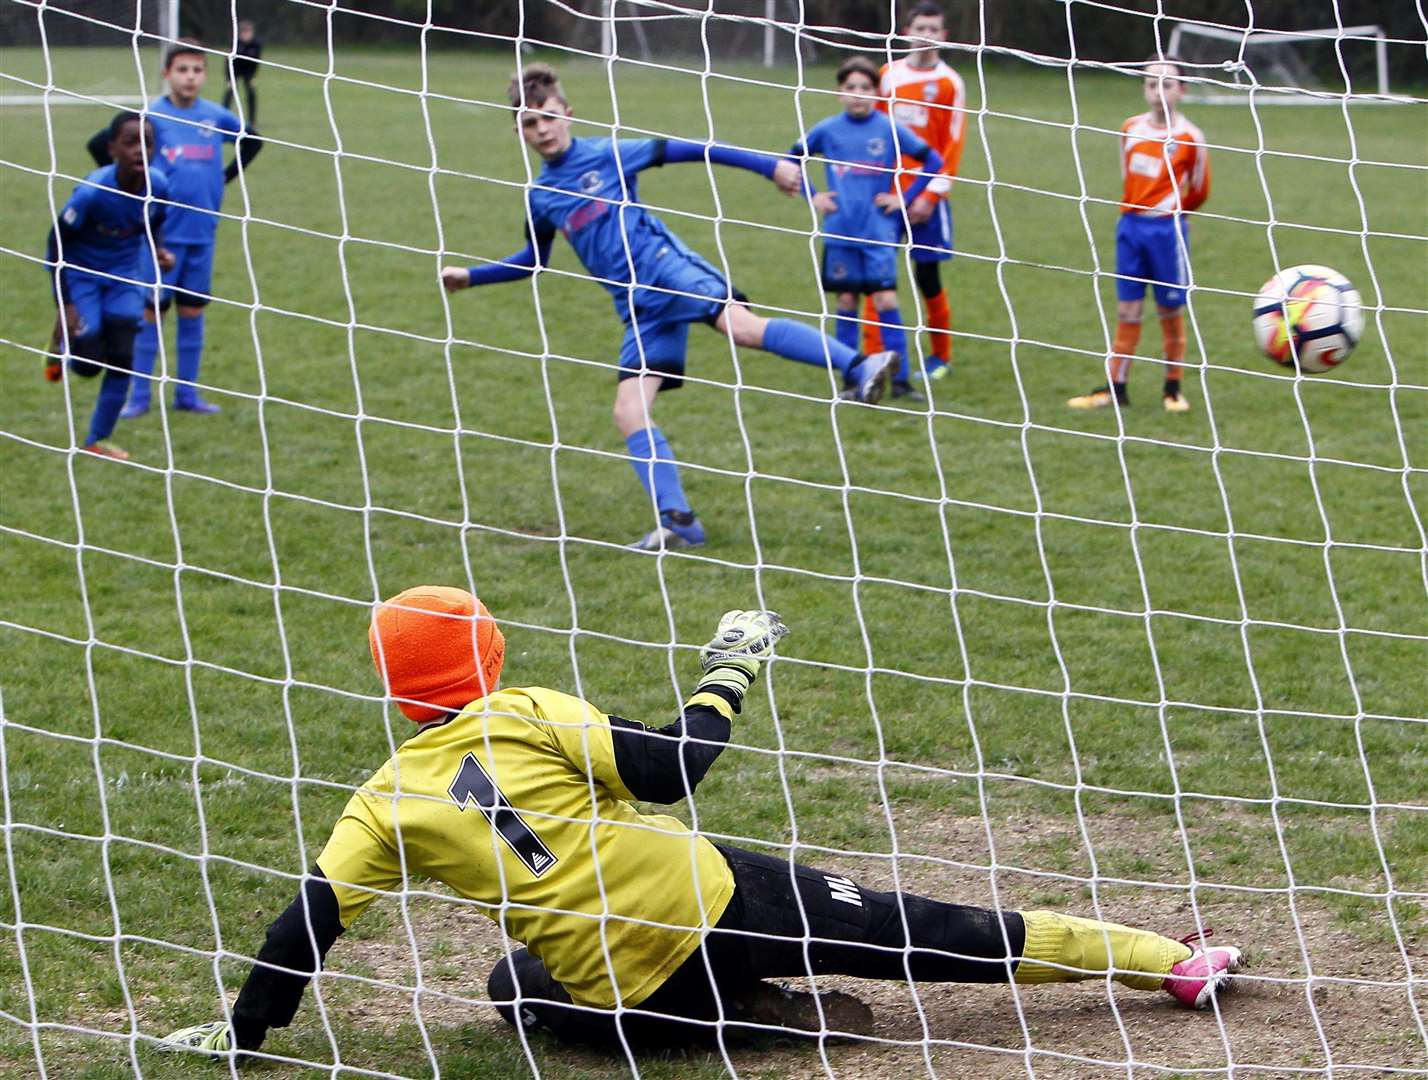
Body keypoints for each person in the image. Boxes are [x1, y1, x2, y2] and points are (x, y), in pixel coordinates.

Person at [156, 585, 1242, 1061]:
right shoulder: (528, 708)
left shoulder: (379, 798)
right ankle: (1169, 963)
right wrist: (730, 669)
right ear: (488, 656)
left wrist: (248, 1031)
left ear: (399, 696)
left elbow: (310, 921)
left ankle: (752, 1020)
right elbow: (673, 769)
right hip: (711, 896)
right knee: (939, 930)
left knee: (514, 989)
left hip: (625, 983)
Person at [440, 64, 901, 552]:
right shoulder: (540, 196)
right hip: (638, 305)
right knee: (628, 411)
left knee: (741, 328)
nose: (543, 130)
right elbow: (534, 261)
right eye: (531, 124)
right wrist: (471, 277)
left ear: (567, 114)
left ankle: (860, 364)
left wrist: (771, 166)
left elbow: (689, 149)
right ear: (519, 131)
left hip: (667, 267)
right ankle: (678, 521)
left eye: (549, 118)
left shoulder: (609, 153)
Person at [85, 38, 263, 419]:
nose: (190, 77)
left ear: (205, 75)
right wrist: (129, 186)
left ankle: (187, 394)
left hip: (203, 233)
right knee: (151, 313)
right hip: (159, 236)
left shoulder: (215, 116)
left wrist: (225, 177)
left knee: (193, 313)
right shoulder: (151, 117)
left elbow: (253, 141)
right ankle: (140, 396)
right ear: (167, 74)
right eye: (182, 70)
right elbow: (101, 144)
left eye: (197, 70)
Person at [794, 56, 944, 402]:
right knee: (846, 301)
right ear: (839, 94)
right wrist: (813, 196)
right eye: (851, 89)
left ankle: (902, 381)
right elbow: (791, 159)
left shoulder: (889, 128)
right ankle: (851, 378)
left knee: (886, 300)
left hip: (878, 232)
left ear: (877, 93)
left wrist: (903, 198)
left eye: (865, 88)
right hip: (840, 231)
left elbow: (933, 161)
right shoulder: (827, 129)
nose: (858, 95)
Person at [1068, 58, 1210, 413]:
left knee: (1169, 309)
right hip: (1130, 228)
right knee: (1127, 309)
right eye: (1150, 84)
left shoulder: (1191, 137)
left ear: (1182, 90)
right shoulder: (1130, 127)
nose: (1158, 91)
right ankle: (1116, 388)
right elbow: (1126, 175)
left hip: (1167, 231)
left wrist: (1175, 214)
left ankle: (1172, 389)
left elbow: (1200, 189)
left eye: (1166, 84)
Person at [43, 112, 173, 461]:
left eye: (146, 142)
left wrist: (158, 248)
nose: (139, 150)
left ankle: (97, 440)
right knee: (88, 365)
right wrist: (65, 304)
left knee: (122, 357)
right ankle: (62, 341)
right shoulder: (91, 193)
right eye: (130, 142)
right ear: (112, 147)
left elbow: (153, 219)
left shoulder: (159, 184)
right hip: (81, 276)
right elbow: (55, 243)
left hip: (124, 277)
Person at [861, 1, 966, 391]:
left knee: (928, 276)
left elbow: (953, 142)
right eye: (921, 27)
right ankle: (876, 353)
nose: (927, 35)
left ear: (944, 36)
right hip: (886, 195)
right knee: (877, 273)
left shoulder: (950, 83)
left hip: (927, 198)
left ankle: (941, 355)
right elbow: (872, 132)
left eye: (934, 29)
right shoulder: (888, 75)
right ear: (906, 32)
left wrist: (932, 194)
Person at [221, 20, 262, 124]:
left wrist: (253, 77)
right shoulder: (235, 43)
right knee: (230, 92)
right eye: (244, 32)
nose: (247, 35)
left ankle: (252, 120)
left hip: (248, 71)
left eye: (249, 32)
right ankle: (222, 115)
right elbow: (228, 61)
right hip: (235, 70)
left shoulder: (256, 44)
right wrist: (229, 79)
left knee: (251, 92)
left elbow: (256, 62)